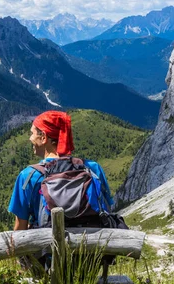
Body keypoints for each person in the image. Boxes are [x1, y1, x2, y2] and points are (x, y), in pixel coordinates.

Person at [7, 111, 113, 268]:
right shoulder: (93, 169)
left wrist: (18, 261)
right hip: (89, 260)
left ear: (44, 138)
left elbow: (20, 227)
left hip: (46, 261)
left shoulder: (28, 176)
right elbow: (108, 210)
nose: (30, 138)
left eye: (32, 133)